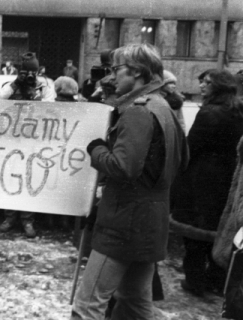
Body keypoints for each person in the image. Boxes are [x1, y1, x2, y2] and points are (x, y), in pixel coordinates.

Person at [71, 43, 188, 320]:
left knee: (88, 305)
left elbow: (122, 167)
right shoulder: (163, 106)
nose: (112, 77)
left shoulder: (138, 111)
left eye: (117, 69)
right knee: (135, 303)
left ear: (136, 72)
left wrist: (96, 148)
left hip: (123, 222)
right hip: (151, 221)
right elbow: (182, 160)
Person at [172, 70, 243, 297]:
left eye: (208, 83)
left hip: (202, 177)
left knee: (194, 230)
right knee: (218, 228)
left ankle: (195, 280)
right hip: (228, 175)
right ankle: (216, 278)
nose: (202, 85)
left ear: (219, 86)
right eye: (202, 81)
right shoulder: (238, 110)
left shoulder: (209, 113)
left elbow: (191, 147)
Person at [0, 52, 54, 238]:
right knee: (10, 179)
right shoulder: (11, 86)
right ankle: (9, 217)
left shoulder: (45, 87)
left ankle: (27, 220)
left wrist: (34, 95)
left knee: (29, 180)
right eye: (25, 72)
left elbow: (51, 107)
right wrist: (15, 85)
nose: (29, 76)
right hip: (12, 140)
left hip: (34, 141)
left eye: (32, 72)